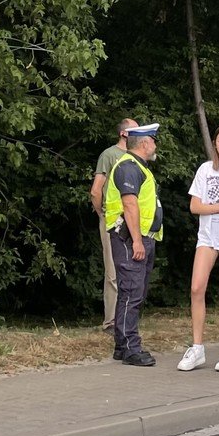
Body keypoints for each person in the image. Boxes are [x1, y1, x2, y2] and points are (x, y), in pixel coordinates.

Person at [178, 125, 219, 372]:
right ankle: (197, 348)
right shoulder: (206, 169)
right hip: (207, 237)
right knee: (196, 287)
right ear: (215, 144)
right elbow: (195, 206)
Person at [104, 123, 163, 366]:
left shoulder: (138, 167)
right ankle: (130, 348)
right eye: (154, 141)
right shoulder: (129, 167)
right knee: (131, 292)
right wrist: (137, 240)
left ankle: (122, 345)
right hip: (130, 238)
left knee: (132, 292)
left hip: (139, 237)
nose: (155, 145)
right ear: (145, 143)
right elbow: (130, 205)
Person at [89, 118, 137, 333]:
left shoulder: (136, 157)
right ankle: (110, 322)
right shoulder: (109, 155)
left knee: (131, 269)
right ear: (124, 133)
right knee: (113, 270)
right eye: (135, 130)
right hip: (113, 218)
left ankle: (126, 320)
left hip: (134, 218)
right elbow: (95, 189)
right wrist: (102, 213)